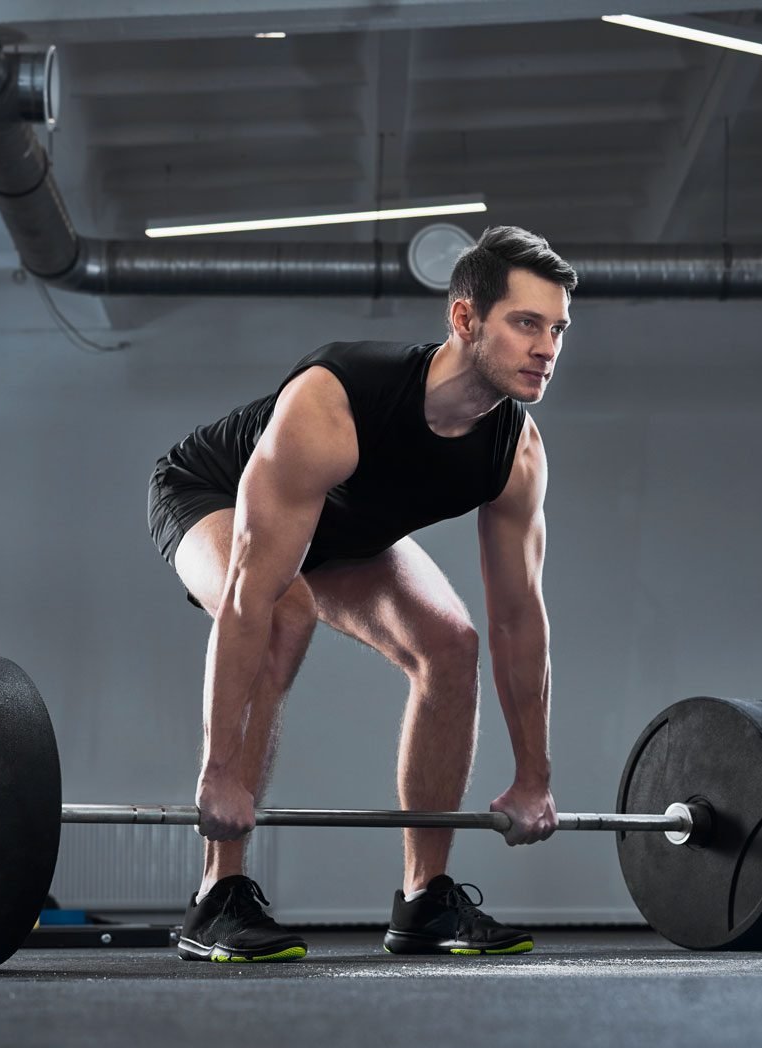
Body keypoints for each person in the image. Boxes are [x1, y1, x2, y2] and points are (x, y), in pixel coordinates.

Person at [146, 225, 575, 962]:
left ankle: (423, 901)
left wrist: (534, 777)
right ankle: (218, 893)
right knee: (286, 608)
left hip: (342, 531)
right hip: (211, 494)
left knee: (453, 643)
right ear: (466, 319)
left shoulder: (515, 452)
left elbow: (516, 620)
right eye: (526, 323)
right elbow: (252, 593)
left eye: (558, 328)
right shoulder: (339, 398)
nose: (547, 347)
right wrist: (218, 774)